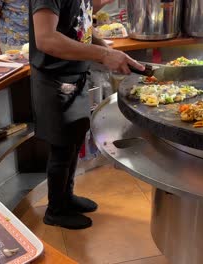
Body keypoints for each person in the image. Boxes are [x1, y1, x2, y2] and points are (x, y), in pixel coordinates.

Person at [29, 0, 143, 229]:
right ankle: (55, 210)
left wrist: (108, 51)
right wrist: (102, 54)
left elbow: (80, 28)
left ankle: (66, 197)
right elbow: (46, 38)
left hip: (75, 77)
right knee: (61, 147)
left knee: (73, 140)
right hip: (54, 80)